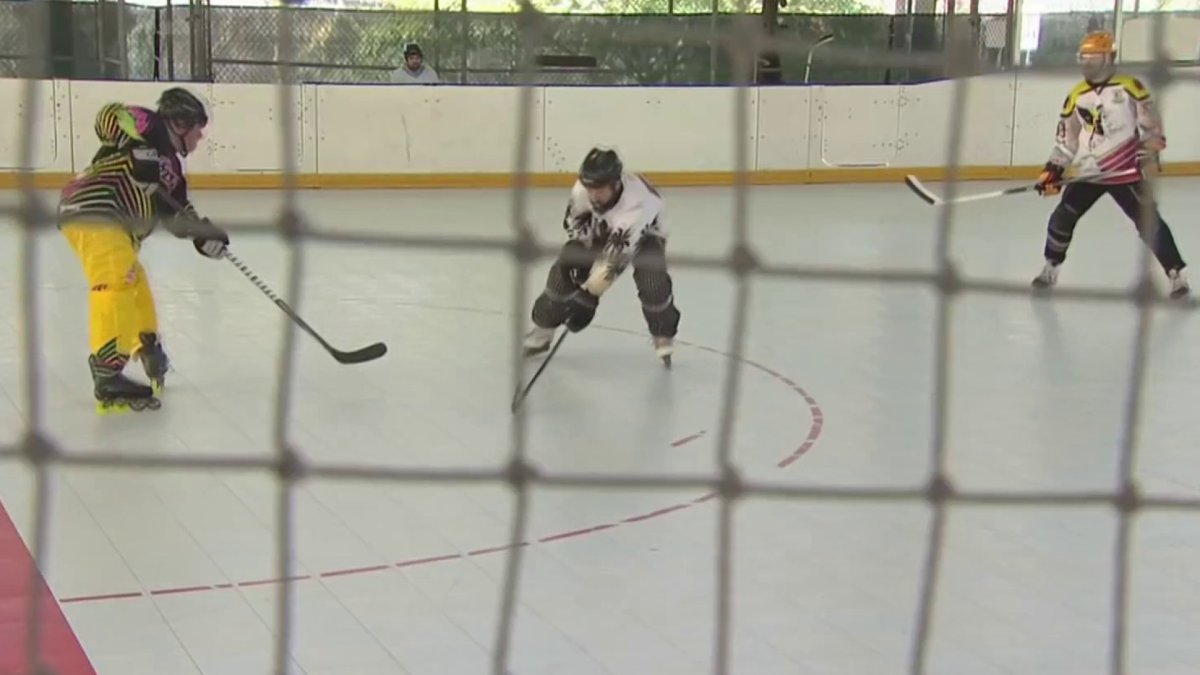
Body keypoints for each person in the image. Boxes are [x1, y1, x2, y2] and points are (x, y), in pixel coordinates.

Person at [56, 87, 231, 414]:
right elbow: (109, 115)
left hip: (116, 228)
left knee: (136, 284)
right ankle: (108, 373)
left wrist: (203, 234)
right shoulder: (147, 125)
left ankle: (148, 347)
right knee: (115, 282)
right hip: (94, 208)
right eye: (198, 129)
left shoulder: (174, 174)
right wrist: (140, 149)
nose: (200, 138)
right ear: (180, 123)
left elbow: (178, 214)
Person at [1031, 30, 1188, 299]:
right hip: (1089, 171)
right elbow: (1067, 140)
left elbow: (1152, 129)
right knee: (1061, 218)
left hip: (1125, 170)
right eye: (1085, 57)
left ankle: (1176, 274)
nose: (1088, 63)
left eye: (1095, 57)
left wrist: (1147, 156)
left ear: (1109, 58)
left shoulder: (1130, 88)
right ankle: (1051, 267)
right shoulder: (1076, 95)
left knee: (1148, 222)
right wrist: (1053, 169)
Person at [522, 147, 681, 366]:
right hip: (603, 225)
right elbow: (574, 223)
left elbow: (615, 259)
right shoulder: (583, 190)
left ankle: (663, 334)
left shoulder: (637, 205)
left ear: (615, 183)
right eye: (589, 187)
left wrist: (589, 295)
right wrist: (579, 248)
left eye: (600, 188)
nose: (593, 194)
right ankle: (542, 332)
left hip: (647, 233)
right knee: (564, 270)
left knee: (652, 279)